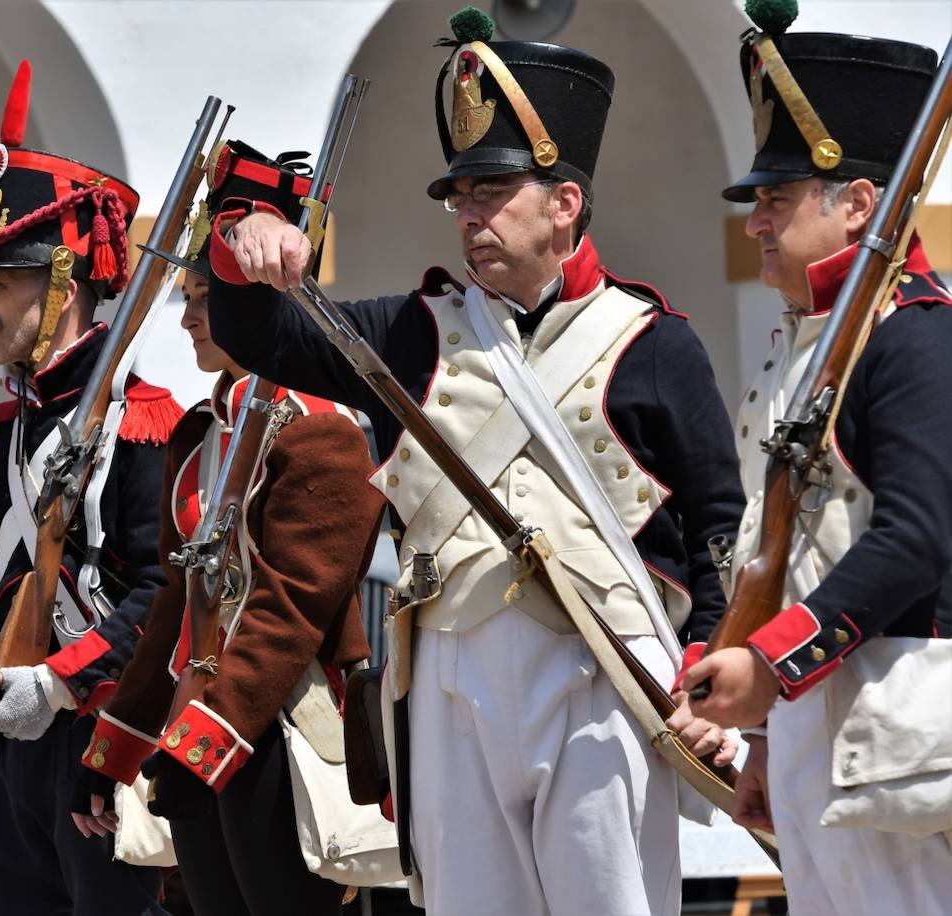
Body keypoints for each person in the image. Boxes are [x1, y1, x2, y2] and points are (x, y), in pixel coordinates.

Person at [202, 8, 743, 914]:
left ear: (564, 202)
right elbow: (255, 331)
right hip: (450, 669)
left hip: (603, 669)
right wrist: (245, 230)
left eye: (492, 192)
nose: (469, 217)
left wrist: (711, 672)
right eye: (461, 198)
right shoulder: (413, 331)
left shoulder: (655, 342)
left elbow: (716, 526)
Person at [682, 5, 952, 914]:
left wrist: (771, 665)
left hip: (899, 738)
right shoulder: (808, 344)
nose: (756, 221)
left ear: (861, 203)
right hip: (813, 725)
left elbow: (917, 537)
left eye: (776, 198)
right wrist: (765, 736)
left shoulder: (915, 336)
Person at [70, 143, 388, 916]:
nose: (188, 318)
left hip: (277, 730)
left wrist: (207, 738)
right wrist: (118, 746)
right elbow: (173, 615)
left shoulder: (325, 431)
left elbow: (293, 607)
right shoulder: (200, 433)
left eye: (206, 296)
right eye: (187, 295)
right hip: (199, 734)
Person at [0, 60, 179, 915]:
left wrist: (62, 682)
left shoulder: (145, 422)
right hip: (23, 737)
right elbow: (36, 582)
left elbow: (157, 595)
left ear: (62, 283)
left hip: (108, 736)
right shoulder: (6, 431)